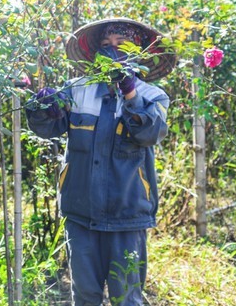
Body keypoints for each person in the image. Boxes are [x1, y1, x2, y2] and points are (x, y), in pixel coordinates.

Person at [25, 18, 176, 306]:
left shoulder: (152, 96)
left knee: (126, 297)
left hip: (126, 216)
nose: (112, 51)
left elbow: (150, 133)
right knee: (84, 295)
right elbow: (47, 128)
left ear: (139, 54)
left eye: (122, 45)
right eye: (106, 46)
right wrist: (43, 106)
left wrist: (129, 91)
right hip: (81, 213)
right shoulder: (78, 90)